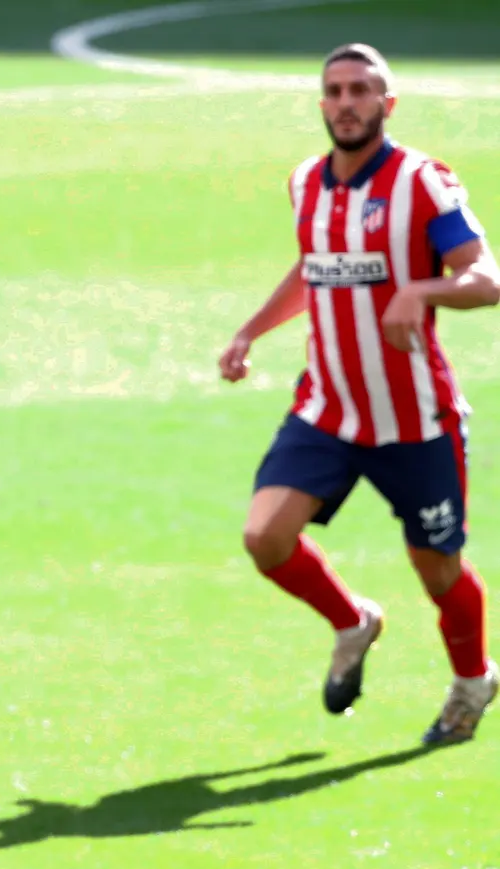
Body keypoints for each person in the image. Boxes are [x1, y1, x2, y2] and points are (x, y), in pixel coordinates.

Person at [219, 43, 500, 745]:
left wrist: (422, 288)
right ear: (323, 104)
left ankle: (474, 680)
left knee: (438, 572)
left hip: (415, 419)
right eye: (335, 91)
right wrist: (251, 330)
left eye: (361, 91)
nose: (346, 103)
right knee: (265, 536)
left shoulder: (424, 183)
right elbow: (314, 267)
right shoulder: (305, 184)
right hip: (329, 409)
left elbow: (485, 279)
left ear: (387, 104)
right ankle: (354, 621)